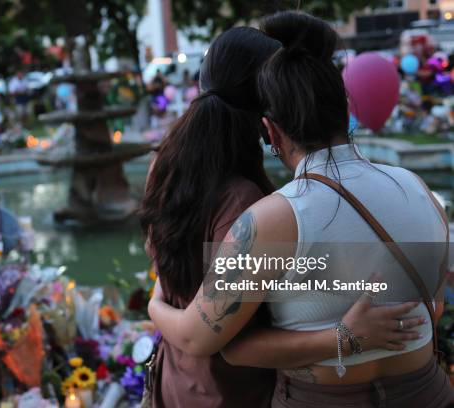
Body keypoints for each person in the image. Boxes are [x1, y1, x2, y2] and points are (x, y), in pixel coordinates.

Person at [148, 11, 452, 407]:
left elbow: (212, 341)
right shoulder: (419, 189)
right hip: (427, 392)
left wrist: (155, 304)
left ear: (270, 130)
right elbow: (436, 302)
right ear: (346, 107)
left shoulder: (270, 218)